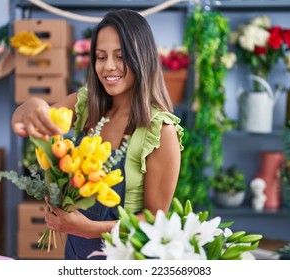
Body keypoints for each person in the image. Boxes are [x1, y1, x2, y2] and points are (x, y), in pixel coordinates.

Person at [11, 9, 184, 260]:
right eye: (100, 57)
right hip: (75, 254)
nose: (108, 66)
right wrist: (31, 106)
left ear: (142, 58)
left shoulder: (161, 131)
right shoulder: (85, 105)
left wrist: (90, 230)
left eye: (120, 56)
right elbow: (30, 121)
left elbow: (155, 221)